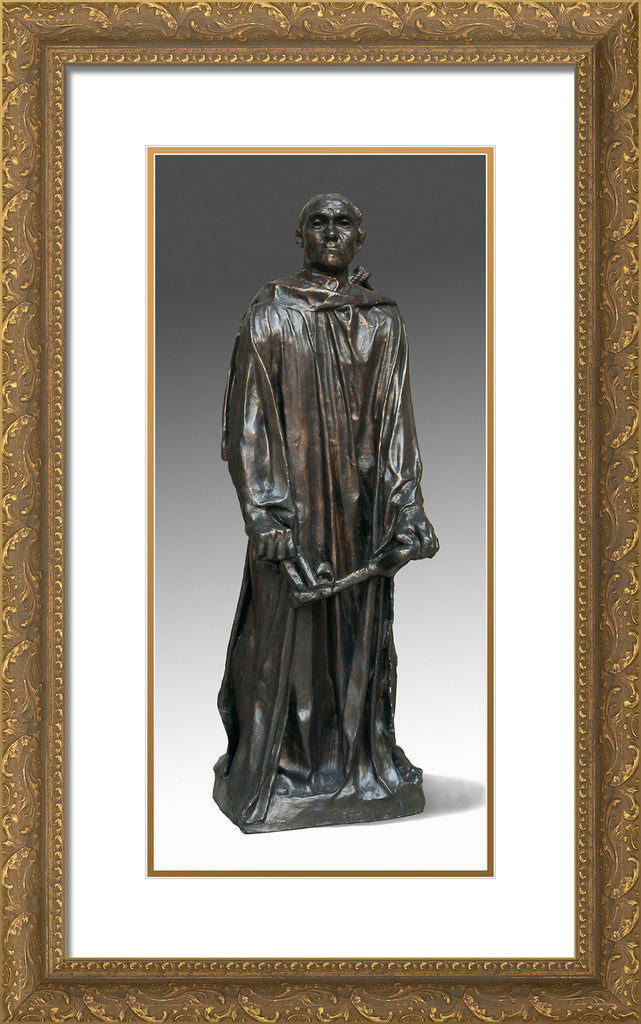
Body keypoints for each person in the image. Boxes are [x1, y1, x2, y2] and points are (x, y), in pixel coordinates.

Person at [213, 193, 439, 833]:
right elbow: (247, 425)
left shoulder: (383, 320)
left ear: (360, 237)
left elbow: (398, 423)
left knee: (358, 641)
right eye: (319, 222)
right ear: (300, 236)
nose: (331, 232)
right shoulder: (271, 313)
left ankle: (358, 762)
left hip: (363, 517)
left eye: (343, 223)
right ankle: (282, 771)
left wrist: (407, 507)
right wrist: (264, 514)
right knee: (285, 645)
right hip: (294, 516)